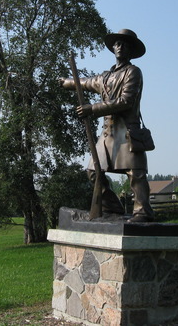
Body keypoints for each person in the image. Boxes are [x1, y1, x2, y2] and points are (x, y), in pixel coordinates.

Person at [61, 29, 155, 222]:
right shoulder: (105, 77)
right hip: (107, 135)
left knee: (135, 174)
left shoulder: (133, 72)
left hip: (127, 131)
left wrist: (92, 109)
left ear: (131, 50)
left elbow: (125, 101)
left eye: (125, 44)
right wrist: (66, 82)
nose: (120, 47)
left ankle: (143, 212)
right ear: (113, 48)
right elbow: (86, 82)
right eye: (118, 44)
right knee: (93, 172)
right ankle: (111, 206)